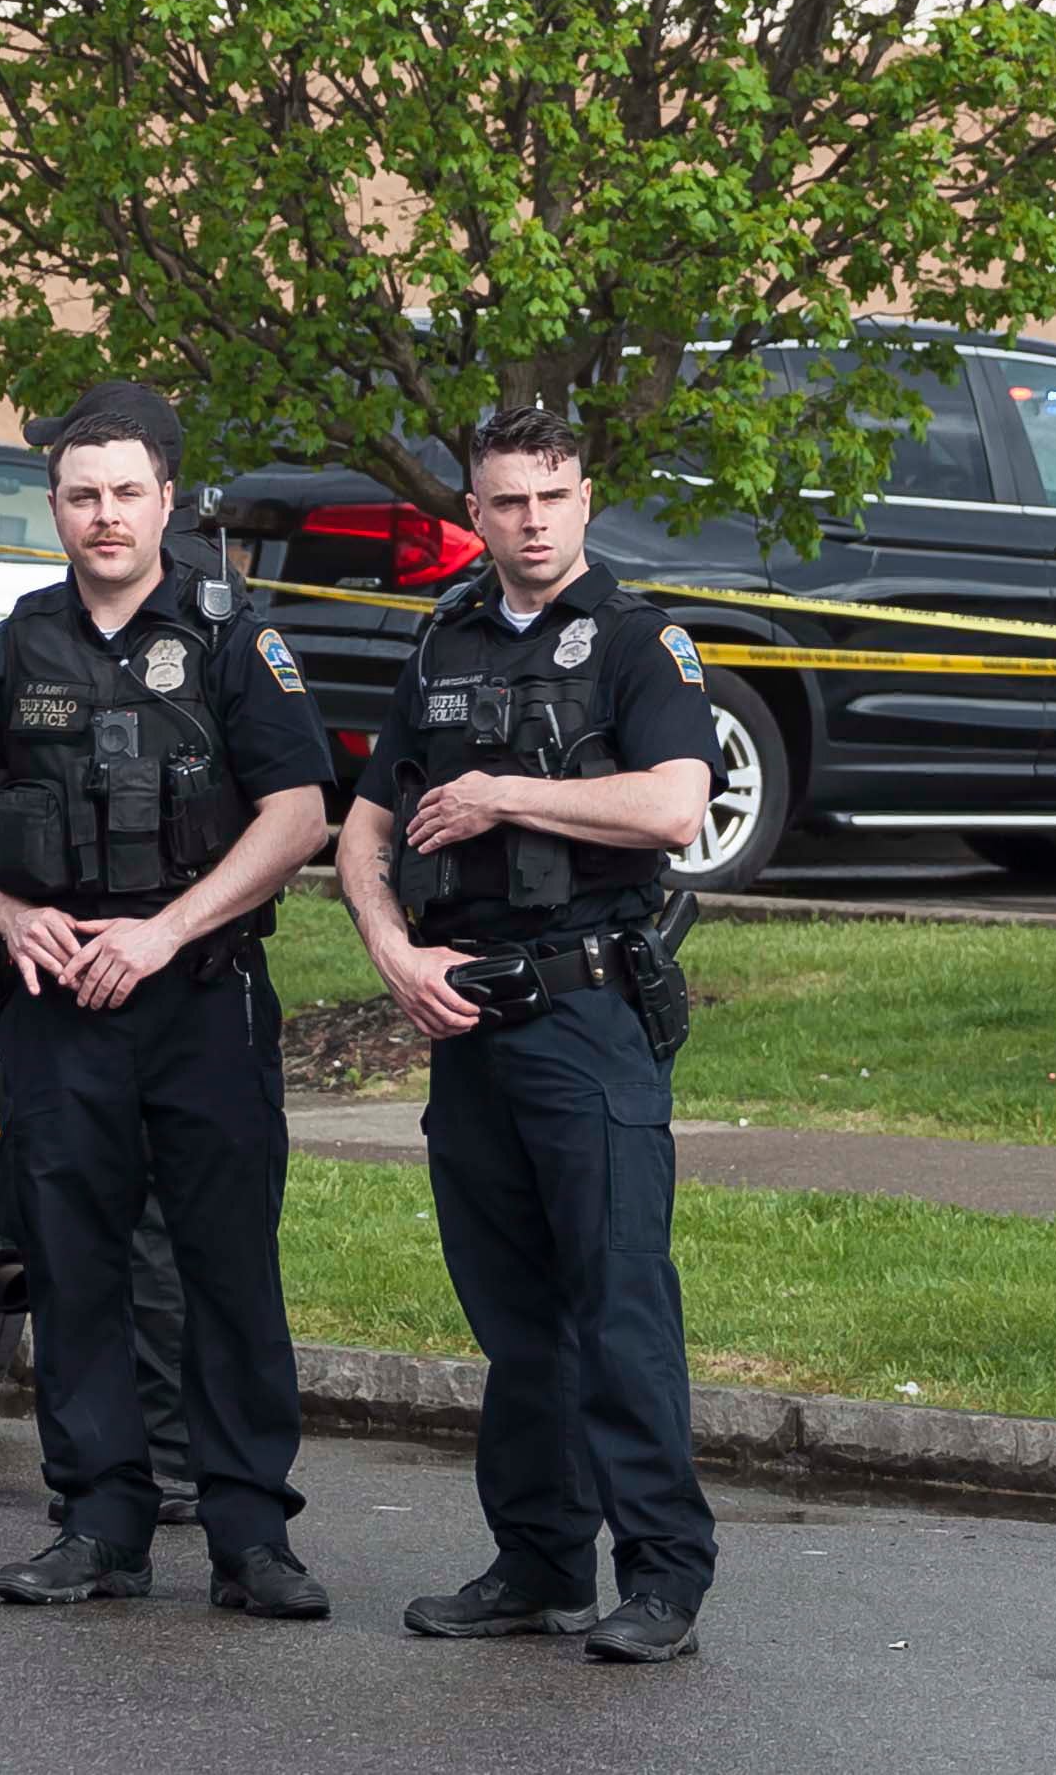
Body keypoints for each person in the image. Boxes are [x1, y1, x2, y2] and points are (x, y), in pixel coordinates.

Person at [0, 384, 334, 1616]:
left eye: (127, 494)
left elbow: (299, 814)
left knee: (227, 1271)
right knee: (78, 1266)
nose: (105, 517)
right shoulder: (15, 648)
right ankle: (99, 1526)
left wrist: (163, 933)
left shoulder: (231, 639)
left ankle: (254, 1538)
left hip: (199, 999)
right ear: (54, 508)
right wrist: (9, 913)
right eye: (83, 496)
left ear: (166, 503)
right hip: (58, 1012)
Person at [333, 406, 721, 1664]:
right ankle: (540, 1560)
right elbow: (365, 824)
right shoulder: (441, 637)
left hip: (589, 1013)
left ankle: (662, 1575)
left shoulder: (637, 641)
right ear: (475, 510)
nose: (532, 522)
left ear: (586, 499)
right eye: (507, 501)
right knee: (513, 1316)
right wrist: (392, 953)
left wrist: (505, 790)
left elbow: (674, 803)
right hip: (466, 1017)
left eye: (551, 498)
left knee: (617, 1301)